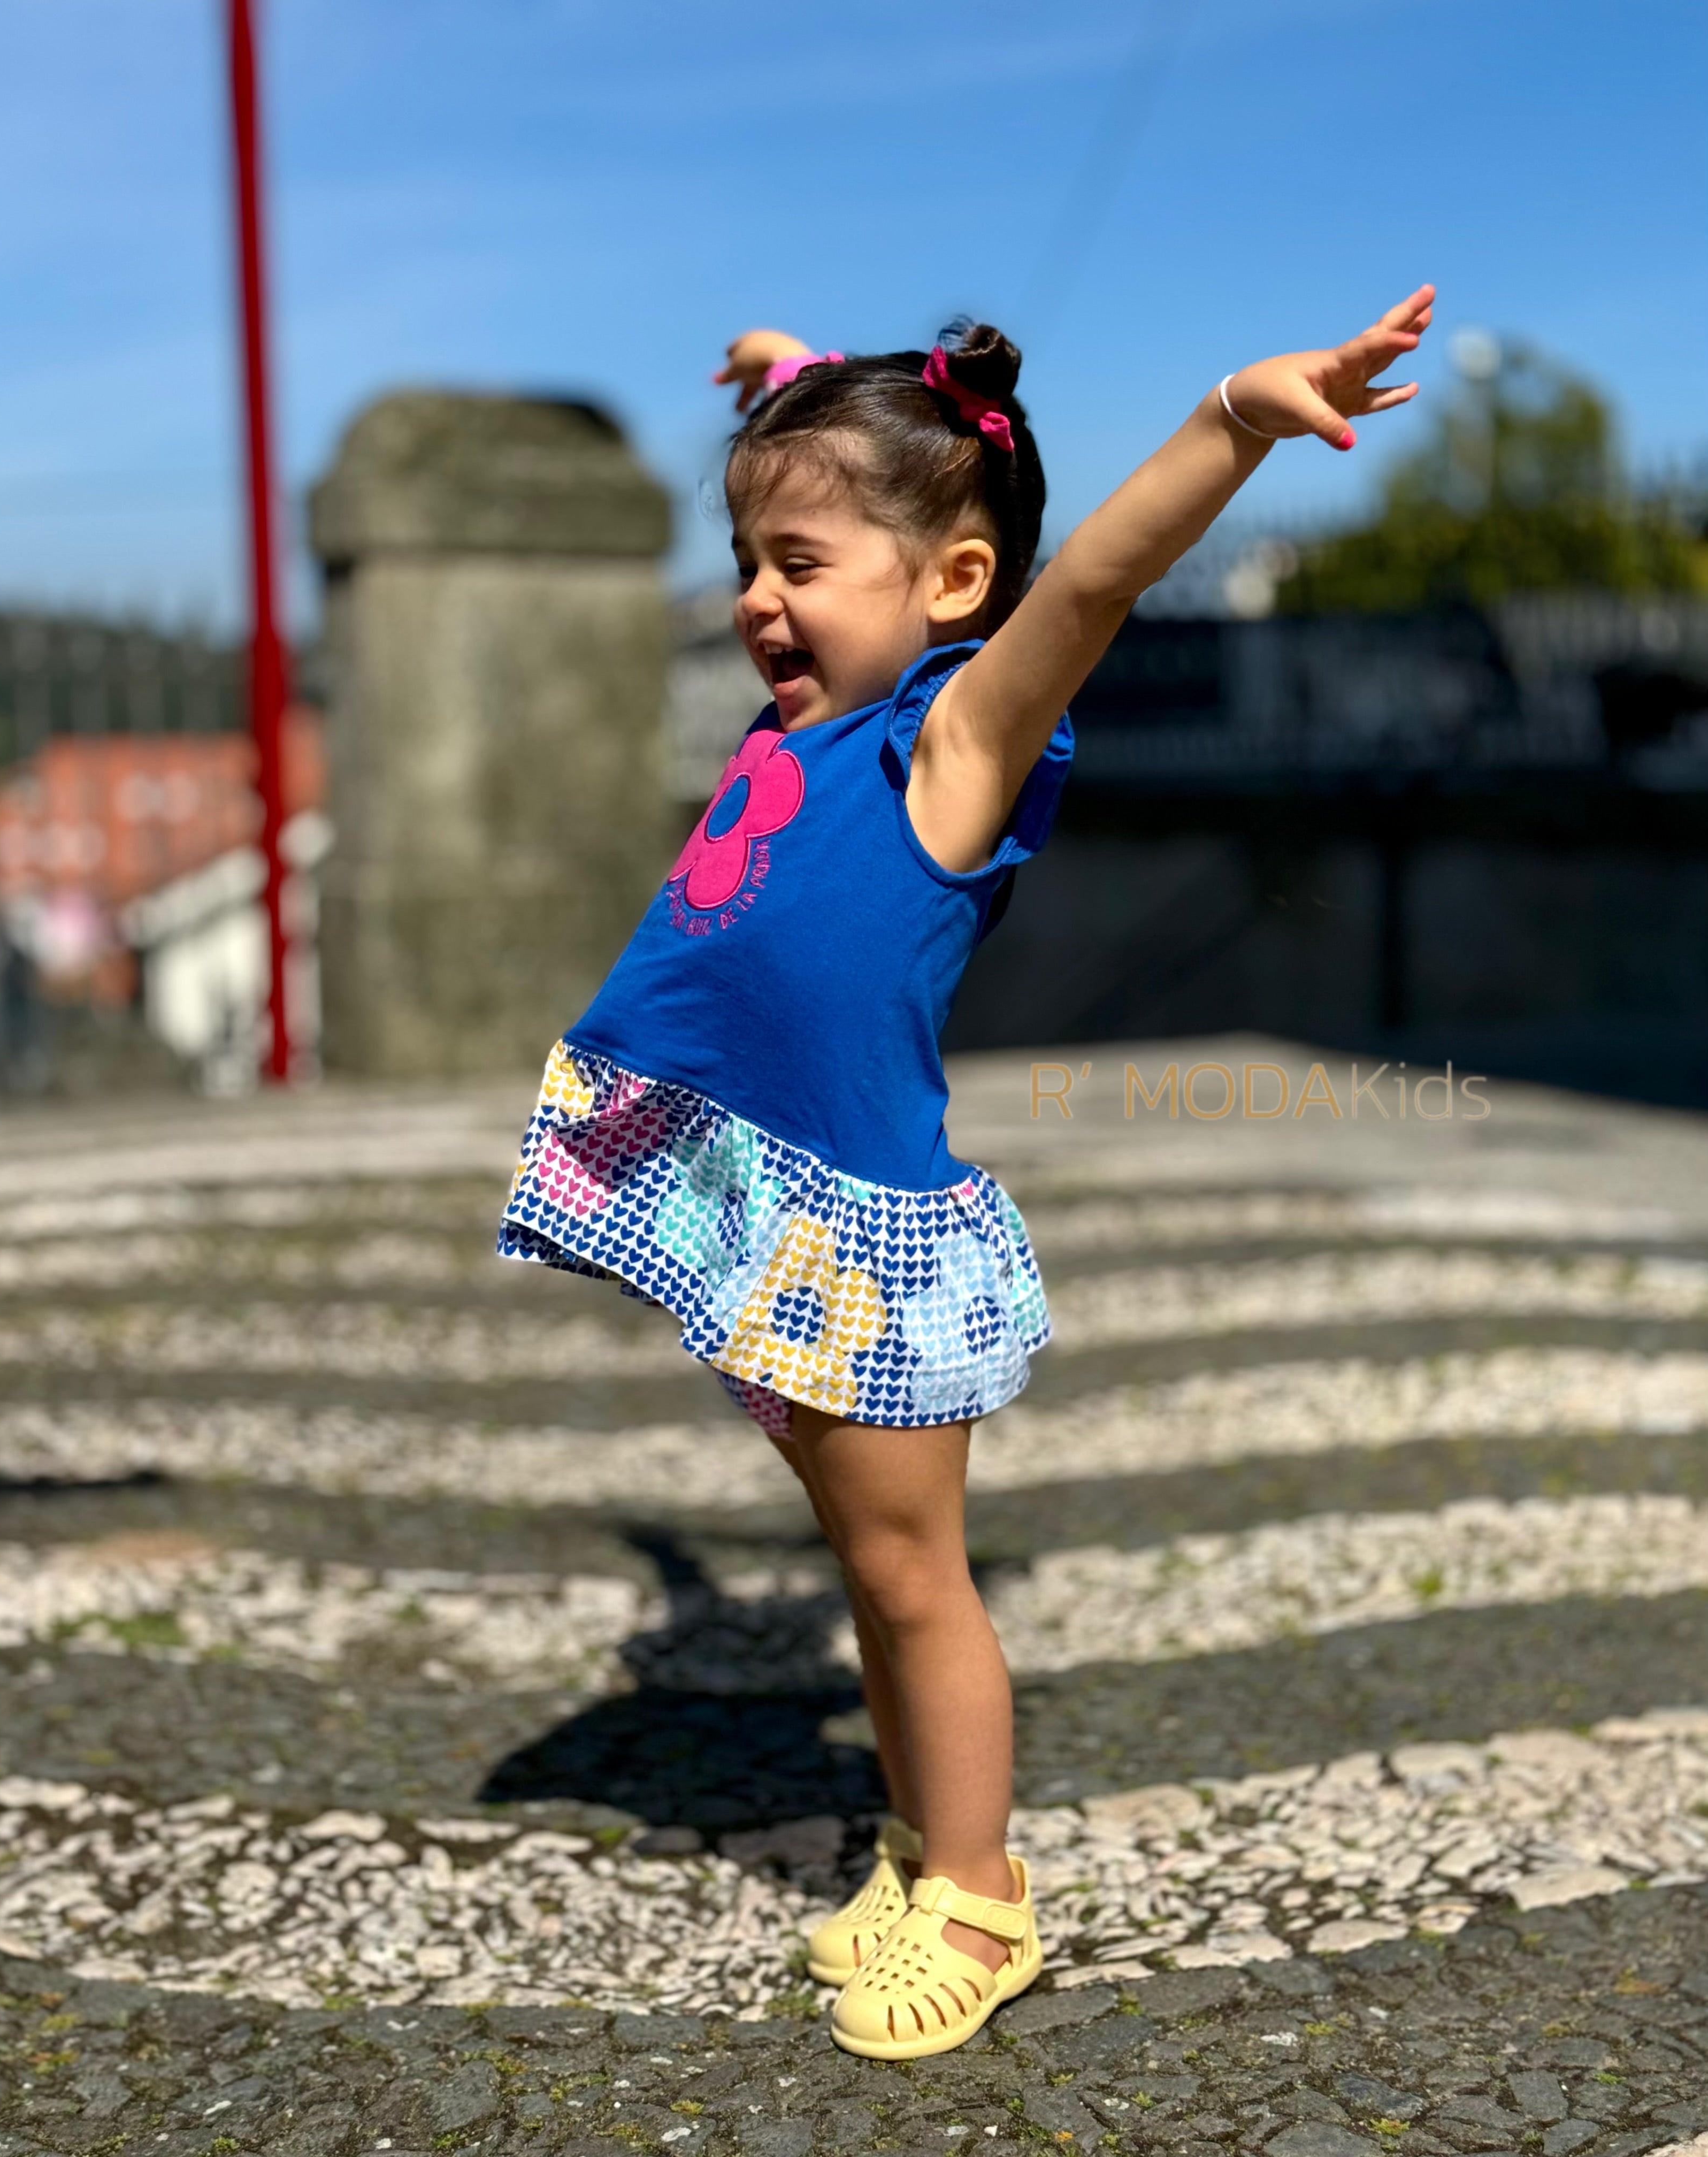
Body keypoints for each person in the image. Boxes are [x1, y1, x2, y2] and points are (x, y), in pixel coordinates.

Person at [499, 287, 1434, 2057]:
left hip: (858, 1237)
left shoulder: (951, 748)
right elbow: (879, 481)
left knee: (919, 1576)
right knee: (867, 1567)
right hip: (758, 1210)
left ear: (946, 585)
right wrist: (785, 374)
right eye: (746, 559)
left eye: (796, 562)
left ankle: (986, 1897)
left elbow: (1082, 583)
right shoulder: (808, 727)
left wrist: (1234, 416)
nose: (755, 597)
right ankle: (923, 1843)